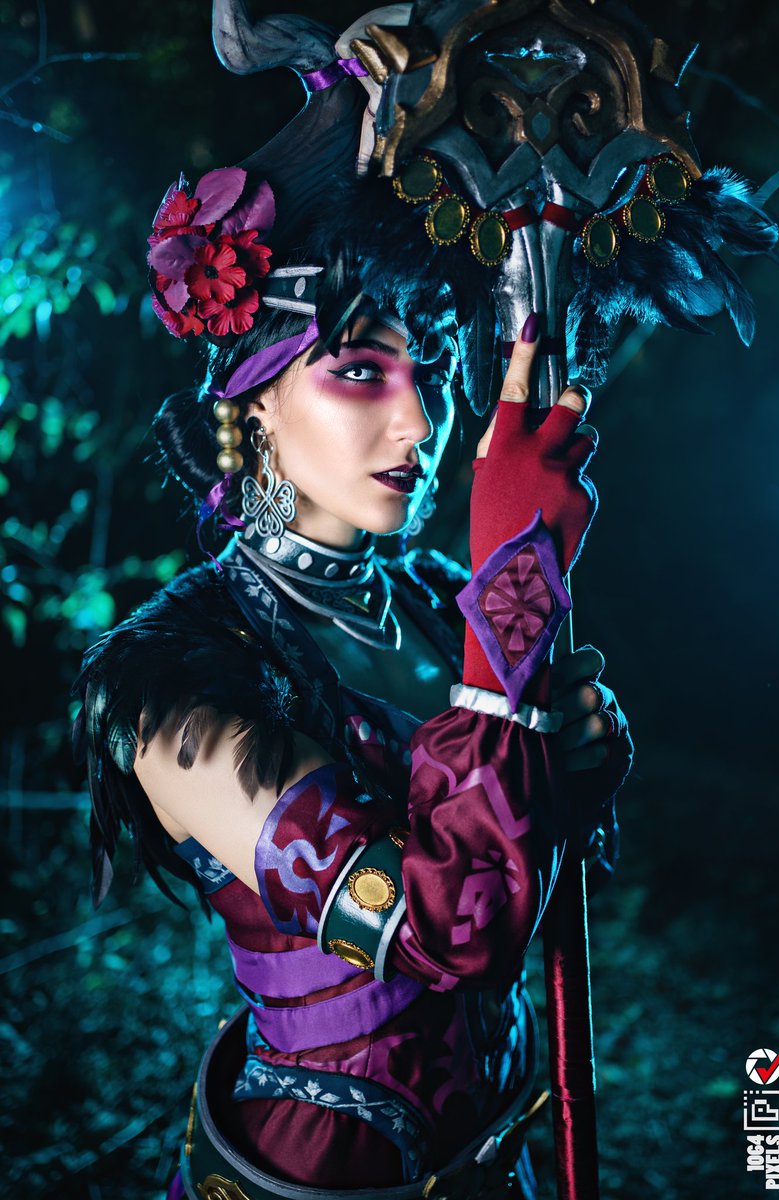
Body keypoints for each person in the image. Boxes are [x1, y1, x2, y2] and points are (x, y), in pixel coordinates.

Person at [73, 150, 632, 1200]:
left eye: (435, 368)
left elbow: (531, 867)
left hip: (497, 1151)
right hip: (324, 1167)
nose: (420, 423)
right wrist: (516, 588)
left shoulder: (435, 597)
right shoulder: (172, 692)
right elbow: (450, 928)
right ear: (253, 401)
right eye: (363, 370)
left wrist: (573, 758)